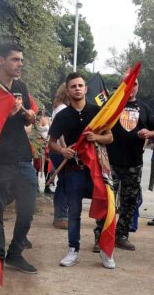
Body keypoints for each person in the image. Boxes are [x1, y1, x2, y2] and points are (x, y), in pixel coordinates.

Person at [49, 72, 115, 269]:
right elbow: (51, 142)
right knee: (74, 212)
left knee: (104, 209)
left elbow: (110, 137)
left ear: (86, 89)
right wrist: (63, 150)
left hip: (97, 169)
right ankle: (73, 250)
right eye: (73, 86)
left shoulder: (98, 112)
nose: (77, 89)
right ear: (67, 91)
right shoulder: (62, 115)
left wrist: (97, 138)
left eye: (80, 85)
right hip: (74, 169)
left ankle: (105, 250)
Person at [0, 42, 37, 274]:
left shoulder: (21, 86)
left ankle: (15, 253)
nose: (20, 65)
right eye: (15, 60)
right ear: (1, 60)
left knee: (28, 209)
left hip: (23, 157)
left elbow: (27, 121)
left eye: (21, 60)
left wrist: (29, 115)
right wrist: (7, 115)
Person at [100, 79, 154, 250]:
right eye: (128, 84)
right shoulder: (112, 105)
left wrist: (149, 133)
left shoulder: (145, 108)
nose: (131, 88)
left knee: (129, 201)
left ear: (138, 87)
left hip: (134, 163)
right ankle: (101, 236)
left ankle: (121, 235)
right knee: (107, 201)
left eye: (134, 84)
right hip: (111, 161)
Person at [49, 83, 69, 229]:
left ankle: (60, 215)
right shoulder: (62, 109)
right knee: (64, 183)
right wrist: (64, 149)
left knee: (63, 181)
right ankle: (60, 216)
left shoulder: (59, 107)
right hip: (60, 150)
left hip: (58, 150)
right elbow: (60, 132)